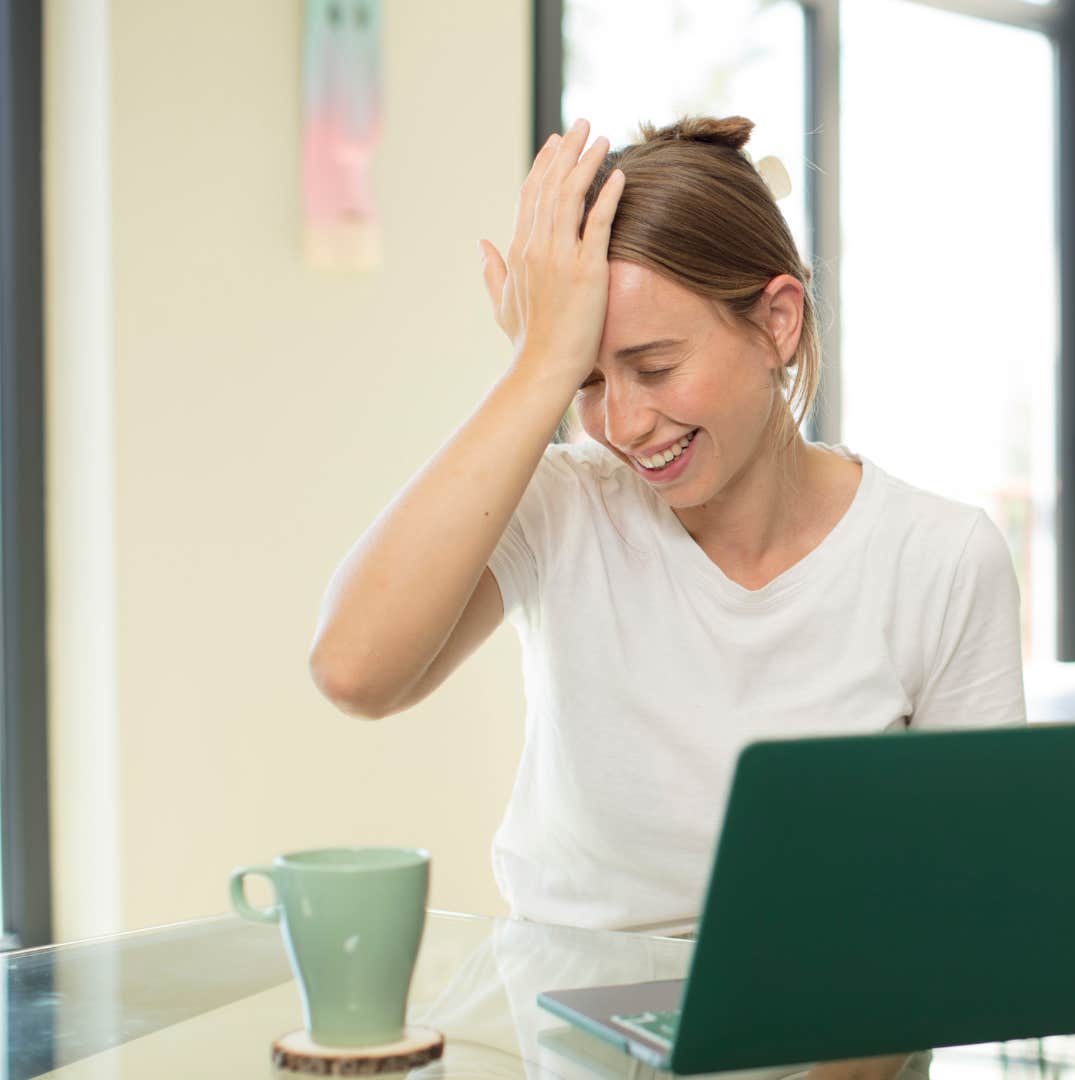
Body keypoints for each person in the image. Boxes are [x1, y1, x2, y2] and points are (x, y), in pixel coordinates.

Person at [309, 114, 1027, 1080]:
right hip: (578, 1036)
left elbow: (957, 902)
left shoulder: (938, 557)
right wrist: (536, 369)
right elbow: (357, 672)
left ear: (778, 320)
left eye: (653, 367)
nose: (625, 423)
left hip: (836, 1041)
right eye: (591, 380)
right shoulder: (564, 504)